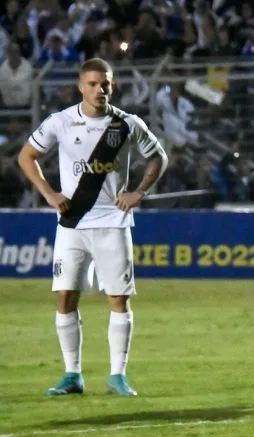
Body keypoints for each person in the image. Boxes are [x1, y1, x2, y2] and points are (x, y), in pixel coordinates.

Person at [17, 58, 169, 397]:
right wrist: (50, 194)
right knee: (65, 296)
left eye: (106, 83)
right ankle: (72, 375)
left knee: (118, 298)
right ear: (80, 86)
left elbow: (158, 156)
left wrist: (139, 192)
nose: (100, 89)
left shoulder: (126, 124)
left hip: (112, 224)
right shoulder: (61, 122)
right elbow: (27, 156)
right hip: (71, 223)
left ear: (113, 86)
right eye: (93, 84)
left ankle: (118, 376)